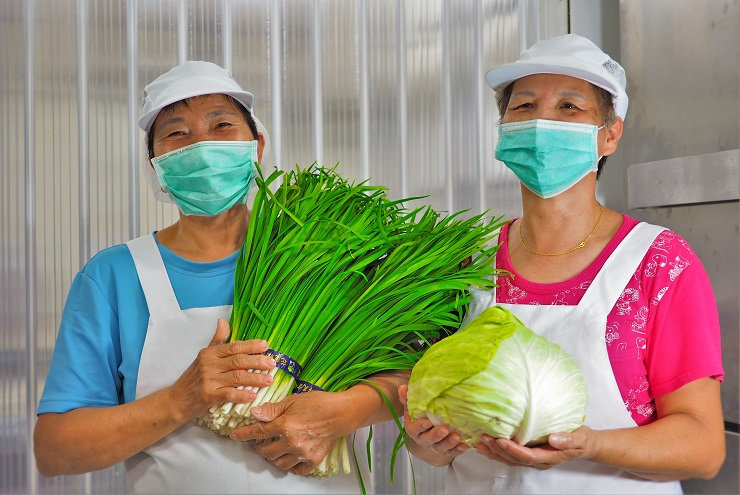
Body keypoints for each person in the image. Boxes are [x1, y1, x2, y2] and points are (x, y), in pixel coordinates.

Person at [33, 60, 406, 494]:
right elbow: (55, 450)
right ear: (155, 166)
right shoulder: (115, 276)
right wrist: (181, 399)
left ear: (257, 146)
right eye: (176, 133)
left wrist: (342, 412)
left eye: (222, 125)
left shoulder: (330, 251)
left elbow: (409, 375)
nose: (202, 146)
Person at [398, 34, 725, 494]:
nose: (541, 122)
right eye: (524, 107)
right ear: (503, 129)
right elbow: (429, 446)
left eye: (569, 108)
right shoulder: (465, 259)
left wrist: (588, 444)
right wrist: (430, 442)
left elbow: (703, 448)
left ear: (609, 135)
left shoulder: (658, 263)